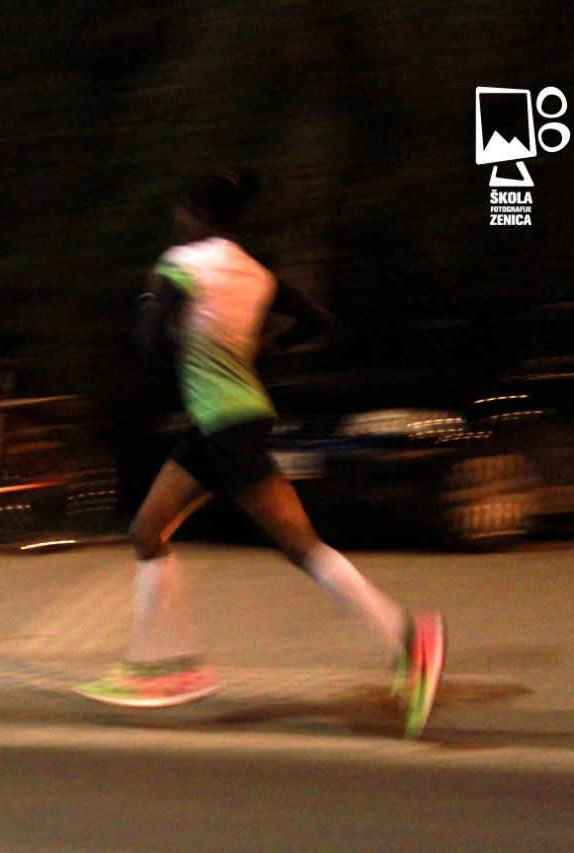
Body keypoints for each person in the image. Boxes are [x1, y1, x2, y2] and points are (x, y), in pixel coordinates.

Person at [74, 169, 445, 738]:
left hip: (224, 426)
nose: (176, 220)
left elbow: (146, 343)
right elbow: (319, 321)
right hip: (225, 422)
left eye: (180, 211)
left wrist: (160, 330)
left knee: (300, 546)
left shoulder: (181, 264)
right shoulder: (255, 273)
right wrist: (267, 346)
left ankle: (409, 638)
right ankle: (173, 669)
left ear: (193, 214)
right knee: (148, 531)